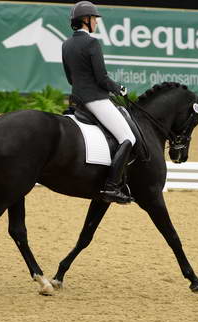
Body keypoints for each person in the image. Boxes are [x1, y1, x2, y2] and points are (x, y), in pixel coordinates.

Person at [62, 1, 136, 204]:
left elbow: (70, 78)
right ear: (86, 21)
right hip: (95, 99)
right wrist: (118, 88)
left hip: (77, 100)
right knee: (128, 138)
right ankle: (111, 186)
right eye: (94, 19)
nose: (96, 22)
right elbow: (102, 78)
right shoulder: (92, 43)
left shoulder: (66, 44)